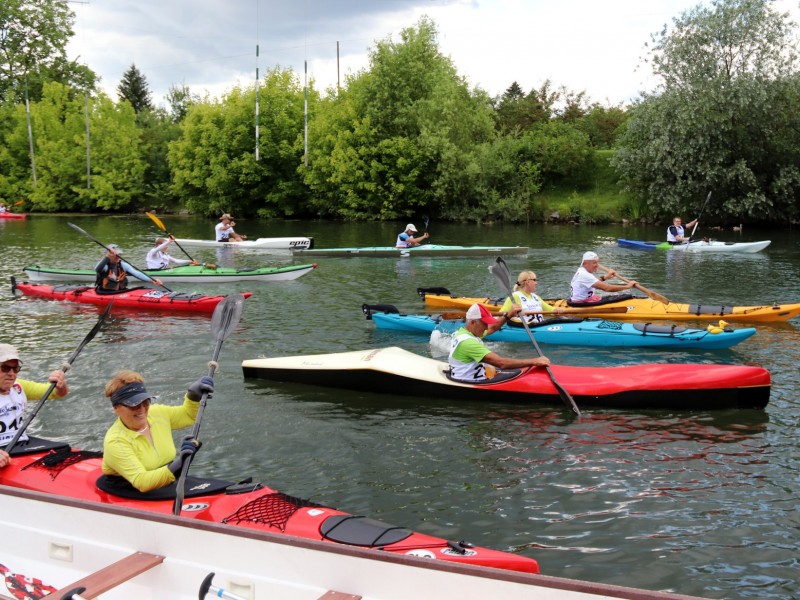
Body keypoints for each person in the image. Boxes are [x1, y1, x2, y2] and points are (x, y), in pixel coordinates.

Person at [101, 370, 213, 493]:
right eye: (134, 404)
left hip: (168, 478)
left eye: (145, 401)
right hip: (132, 489)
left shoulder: (157, 413)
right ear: (116, 408)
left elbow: (188, 416)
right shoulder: (115, 441)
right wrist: (180, 463)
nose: (142, 409)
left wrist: (193, 396)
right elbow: (141, 481)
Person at [0, 344, 69, 468]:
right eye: (5, 368)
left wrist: (60, 385)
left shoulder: (18, 386)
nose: (11, 374)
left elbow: (56, 393)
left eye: (15, 369)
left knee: (64, 448)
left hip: (21, 444)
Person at [448, 303, 550, 382]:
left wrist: (508, 315)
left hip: (467, 375)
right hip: (470, 381)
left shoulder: (464, 332)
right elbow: (501, 363)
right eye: (484, 323)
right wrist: (534, 361)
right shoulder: (468, 343)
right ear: (473, 322)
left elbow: (493, 327)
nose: (487, 327)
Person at [499, 270, 566, 325]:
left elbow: (549, 309)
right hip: (523, 328)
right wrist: (512, 314)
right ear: (527, 282)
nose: (536, 283)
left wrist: (556, 310)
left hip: (539, 327)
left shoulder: (536, 297)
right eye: (534, 280)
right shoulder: (514, 297)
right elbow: (501, 315)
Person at [569, 251, 637, 305]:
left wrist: (605, 277)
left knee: (618, 296)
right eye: (594, 263)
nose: (597, 265)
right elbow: (607, 288)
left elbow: (593, 283)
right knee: (624, 296)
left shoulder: (581, 270)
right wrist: (627, 286)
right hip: (582, 303)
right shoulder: (584, 275)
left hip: (582, 300)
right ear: (585, 263)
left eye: (597, 262)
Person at [95, 244, 162, 293]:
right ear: (109, 255)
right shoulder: (104, 265)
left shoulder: (123, 265)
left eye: (119, 254)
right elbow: (98, 270)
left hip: (120, 291)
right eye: (116, 255)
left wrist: (152, 280)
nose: (118, 257)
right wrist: (107, 257)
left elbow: (137, 274)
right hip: (104, 292)